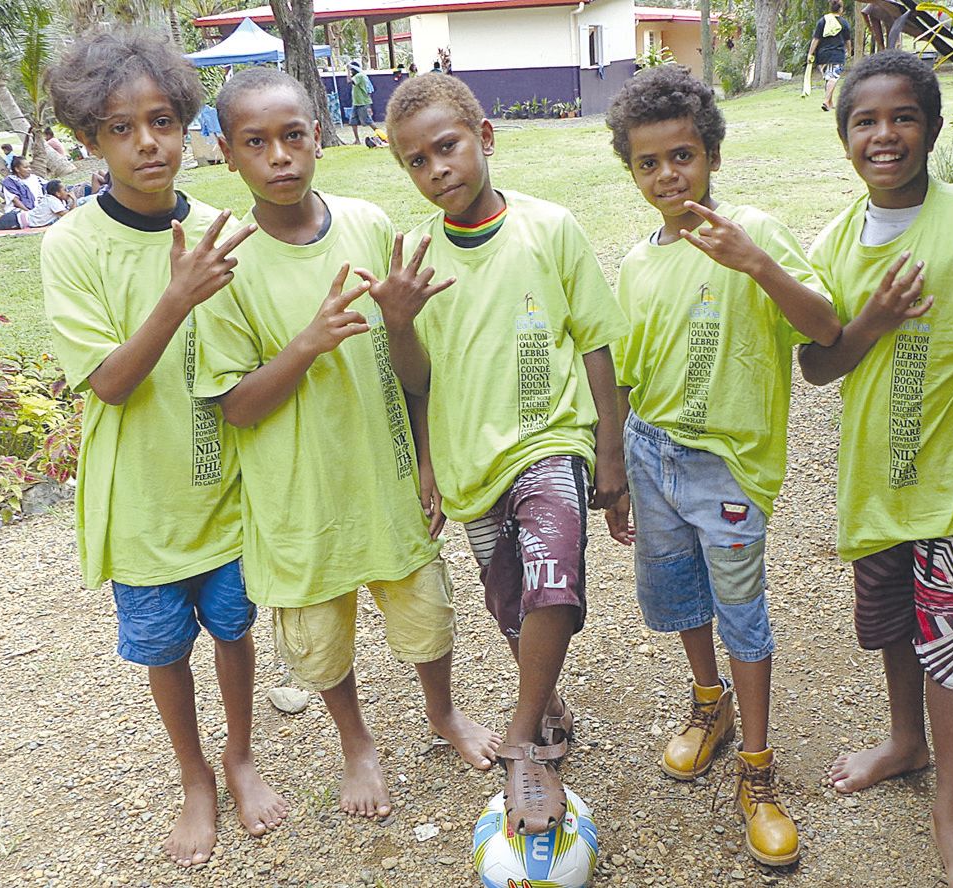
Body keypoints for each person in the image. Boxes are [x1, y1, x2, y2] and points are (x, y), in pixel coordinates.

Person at [193, 67, 501, 819]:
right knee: (321, 644)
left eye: (292, 136)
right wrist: (305, 345)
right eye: (256, 143)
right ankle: (355, 741)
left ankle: (442, 711)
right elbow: (233, 406)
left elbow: (414, 371)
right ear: (228, 155)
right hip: (299, 499)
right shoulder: (227, 266)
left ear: (318, 136)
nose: (279, 158)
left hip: (385, 478)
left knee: (427, 615)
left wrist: (426, 454)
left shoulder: (367, 223)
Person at [39, 30, 286, 868]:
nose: (147, 143)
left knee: (233, 628)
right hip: (141, 504)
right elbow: (107, 382)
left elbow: (254, 361)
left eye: (162, 121)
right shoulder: (72, 245)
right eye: (120, 128)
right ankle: (193, 777)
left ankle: (240, 755)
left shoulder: (224, 229)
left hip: (226, 490)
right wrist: (175, 299)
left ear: (187, 127)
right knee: (164, 650)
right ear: (89, 141)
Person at [800, 50, 953, 888]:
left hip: (951, 490)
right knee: (894, 626)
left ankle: (951, 806)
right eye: (864, 121)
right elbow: (817, 365)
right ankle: (904, 741)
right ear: (842, 140)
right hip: (874, 488)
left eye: (902, 117)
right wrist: (864, 324)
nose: (883, 135)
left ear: (932, 128)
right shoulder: (834, 242)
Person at [602, 65, 845, 867]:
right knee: (678, 596)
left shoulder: (755, 231)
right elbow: (629, 376)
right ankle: (709, 705)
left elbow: (824, 332)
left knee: (743, 612)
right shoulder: (637, 264)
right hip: (652, 455)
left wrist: (755, 264)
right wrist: (617, 465)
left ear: (709, 152)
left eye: (682, 155)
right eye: (649, 163)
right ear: (631, 171)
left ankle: (757, 771)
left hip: (729, 469)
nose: (668, 174)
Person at [378, 73, 628, 837]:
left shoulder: (548, 227)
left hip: (550, 440)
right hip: (467, 461)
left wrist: (610, 456)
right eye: (416, 162)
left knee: (553, 577)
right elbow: (417, 383)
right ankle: (544, 697)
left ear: (484, 138)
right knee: (511, 598)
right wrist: (398, 325)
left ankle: (525, 743)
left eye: (447, 147)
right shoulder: (419, 260)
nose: (436, 170)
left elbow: (594, 342)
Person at [808, 0, 853, 112]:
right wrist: (849, 51)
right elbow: (848, 40)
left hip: (822, 55)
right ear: (841, 9)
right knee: (833, 77)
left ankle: (830, 103)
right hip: (837, 54)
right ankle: (826, 101)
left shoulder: (822, 21)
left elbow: (816, 39)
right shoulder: (844, 23)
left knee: (829, 78)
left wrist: (810, 53)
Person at [348, 60, 378, 147]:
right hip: (356, 103)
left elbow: (349, 80)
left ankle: (381, 135)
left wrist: (347, 70)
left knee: (368, 121)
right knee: (353, 122)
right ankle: (357, 140)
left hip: (362, 103)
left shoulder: (359, 76)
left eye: (351, 70)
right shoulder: (360, 75)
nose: (350, 71)